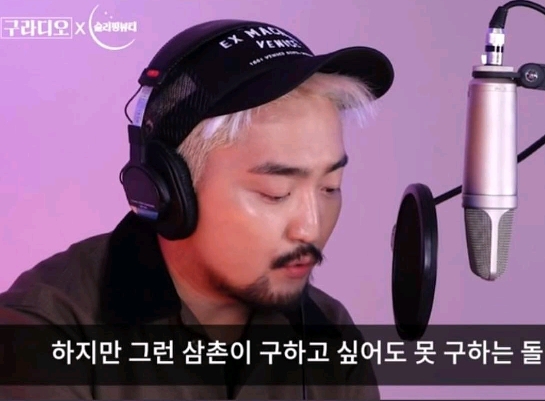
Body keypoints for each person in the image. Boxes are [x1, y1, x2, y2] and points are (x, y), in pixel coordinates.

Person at [0, 19, 394, 400]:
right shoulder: (42, 333)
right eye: (276, 193)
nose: (311, 228)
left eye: (330, 187)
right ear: (169, 190)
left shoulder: (329, 332)